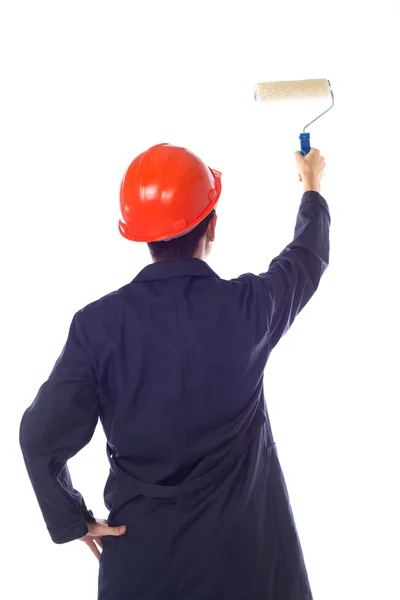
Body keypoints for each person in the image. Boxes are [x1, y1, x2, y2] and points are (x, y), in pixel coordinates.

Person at [19, 143, 330, 600]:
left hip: (141, 568)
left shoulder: (97, 326)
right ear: (213, 226)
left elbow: (39, 438)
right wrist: (311, 186)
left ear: (140, 235)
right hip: (247, 567)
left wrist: (72, 519)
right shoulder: (249, 307)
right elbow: (306, 257)